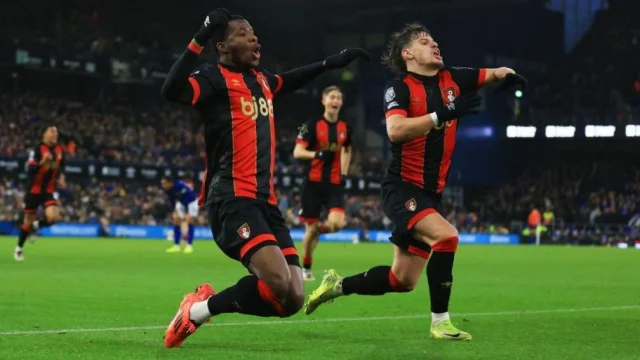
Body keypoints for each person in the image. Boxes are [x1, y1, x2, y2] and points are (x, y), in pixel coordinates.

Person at [160, 8, 369, 348]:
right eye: (243, 34)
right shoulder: (213, 78)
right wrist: (201, 34)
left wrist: (331, 63)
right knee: (276, 280)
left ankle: (197, 310)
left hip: (265, 202)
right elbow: (171, 90)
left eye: (254, 32)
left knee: (292, 299)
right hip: (232, 197)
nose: (254, 38)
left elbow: (292, 78)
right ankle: (195, 313)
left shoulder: (262, 81)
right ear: (224, 47)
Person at [304, 23, 527, 341]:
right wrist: (443, 113)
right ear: (407, 54)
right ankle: (440, 323)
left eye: (435, 40)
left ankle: (337, 285)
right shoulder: (400, 88)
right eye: (425, 42)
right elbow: (395, 130)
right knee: (448, 237)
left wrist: (508, 75)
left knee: (402, 280)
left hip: (431, 193)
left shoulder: (453, 77)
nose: (435, 45)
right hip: (402, 187)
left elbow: (493, 73)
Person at [293, 85, 353, 280]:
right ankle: (307, 267)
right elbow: (297, 152)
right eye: (332, 97)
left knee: (337, 224)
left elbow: (347, 149)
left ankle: (317, 230)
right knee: (310, 229)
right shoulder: (309, 125)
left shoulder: (346, 128)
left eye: (339, 98)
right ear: (324, 101)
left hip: (334, 183)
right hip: (312, 184)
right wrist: (317, 154)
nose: (335, 101)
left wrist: (344, 172)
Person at [14, 125, 66, 261]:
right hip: (33, 190)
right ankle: (19, 248)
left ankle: (37, 225)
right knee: (27, 221)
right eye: (52, 132)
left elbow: (61, 167)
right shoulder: (37, 150)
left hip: (48, 190)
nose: (55, 134)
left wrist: (61, 178)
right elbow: (30, 170)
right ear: (45, 135)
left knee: (53, 217)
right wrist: (42, 162)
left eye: (56, 132)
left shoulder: (60, 150)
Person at [161, 176, 198, 253]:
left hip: (191, 202)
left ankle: (189, 246)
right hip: (181, 202)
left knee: (189, 221)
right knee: (176, 220)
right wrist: (174, 211)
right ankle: (176, 245)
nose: (163, 185)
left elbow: (186, 199)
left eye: (164, 183)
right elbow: (172, 200)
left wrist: (188, 212)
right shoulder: (168, 189)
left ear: (170, 183)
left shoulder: (180, 186)